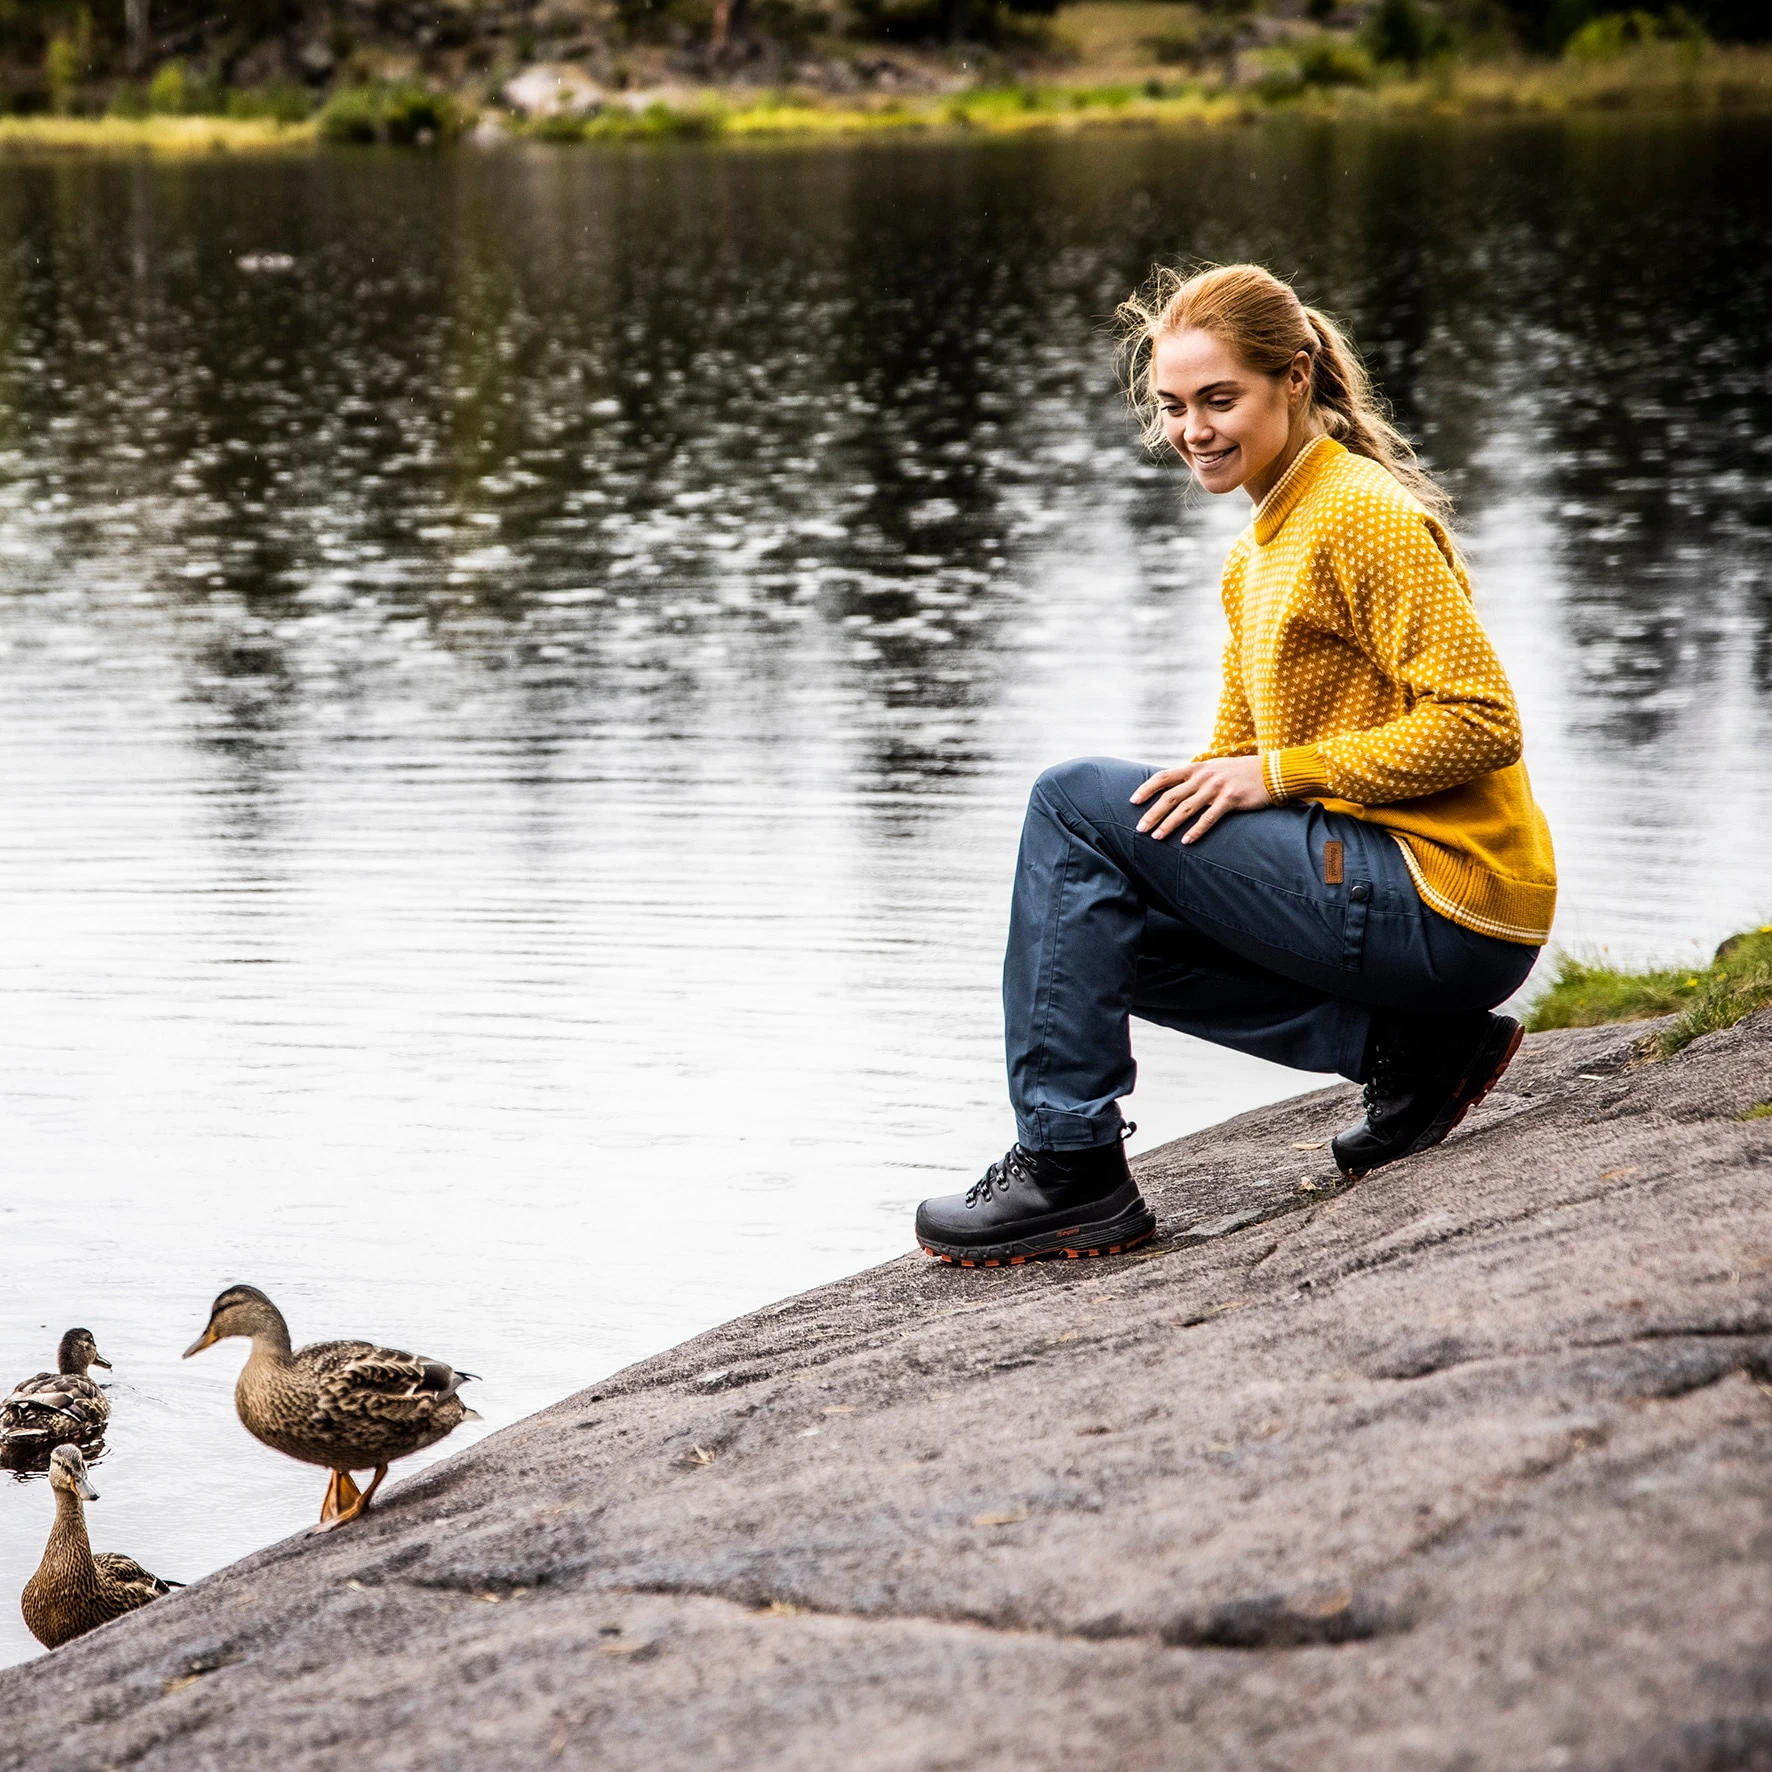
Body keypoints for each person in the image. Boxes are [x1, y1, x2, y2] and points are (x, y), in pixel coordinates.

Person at [914, 263, 1557, 1269]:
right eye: (1173, 406)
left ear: (1293, 378)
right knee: (1086, 922)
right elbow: (1223, 764)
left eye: (1219, 399)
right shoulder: (1256, 552)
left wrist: (1280, 774)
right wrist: (1199, 808)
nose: (1192, 429)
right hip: (1389, 906)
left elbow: (1481, 724)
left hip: (1448, 899)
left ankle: (1070, 1166)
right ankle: (1412, 1052)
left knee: (1069, 802)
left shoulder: (1359, 514)